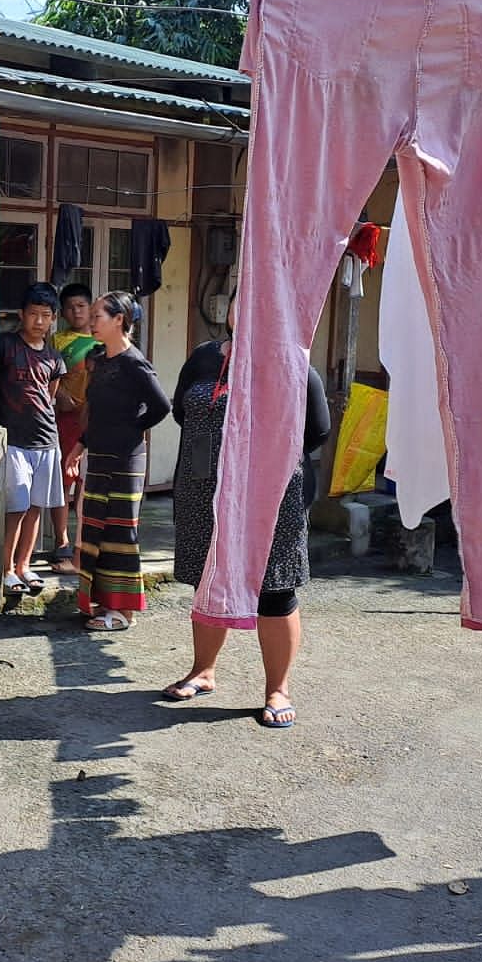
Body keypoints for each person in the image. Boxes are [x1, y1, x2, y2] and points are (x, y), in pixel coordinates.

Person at [162, 295, 330, 728]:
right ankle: (203, 671)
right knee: (208, 580)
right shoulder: (203, 358)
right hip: (203, 491)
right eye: (243, 299)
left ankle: (277, 689)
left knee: (275, 591)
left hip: (270, 496)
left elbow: (318, 429)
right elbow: (183, 410)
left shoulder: (293, 363)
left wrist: (258, 464)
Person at [62, 291, 171, 631]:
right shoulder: (101, 359)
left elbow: (161, 407)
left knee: (120, 533)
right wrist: (80, 446)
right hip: (100, 456)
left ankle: (123, 612)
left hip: (126, 460)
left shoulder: (134, 362)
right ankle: (98, 603)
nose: (92, 322)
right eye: (92, 316)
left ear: (119, 320)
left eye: (98, 316)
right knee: (93, 527)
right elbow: (96, 413)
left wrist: (130, 430)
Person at [0, 284, 68, 598]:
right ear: (21, 315)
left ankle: (25, 565)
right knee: (17, 506)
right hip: (15, 440)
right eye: (33, 314)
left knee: (36, 507)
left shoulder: (54, 357)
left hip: (47, 440)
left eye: (46, 315)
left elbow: (50, 397)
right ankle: (6, 570)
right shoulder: (6, 346)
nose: (39, 321)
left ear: (53, 318)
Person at [50, 282, 95, 578]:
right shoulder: (57, 341)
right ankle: (62, 540)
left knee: (89, 487)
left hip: (94, 419)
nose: (75, 311)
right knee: (62, 483)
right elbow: (47, 378)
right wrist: (57, 397)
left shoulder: (103, 341)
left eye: (81, 305)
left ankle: (86, 544)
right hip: (64, 418)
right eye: (69, 307)